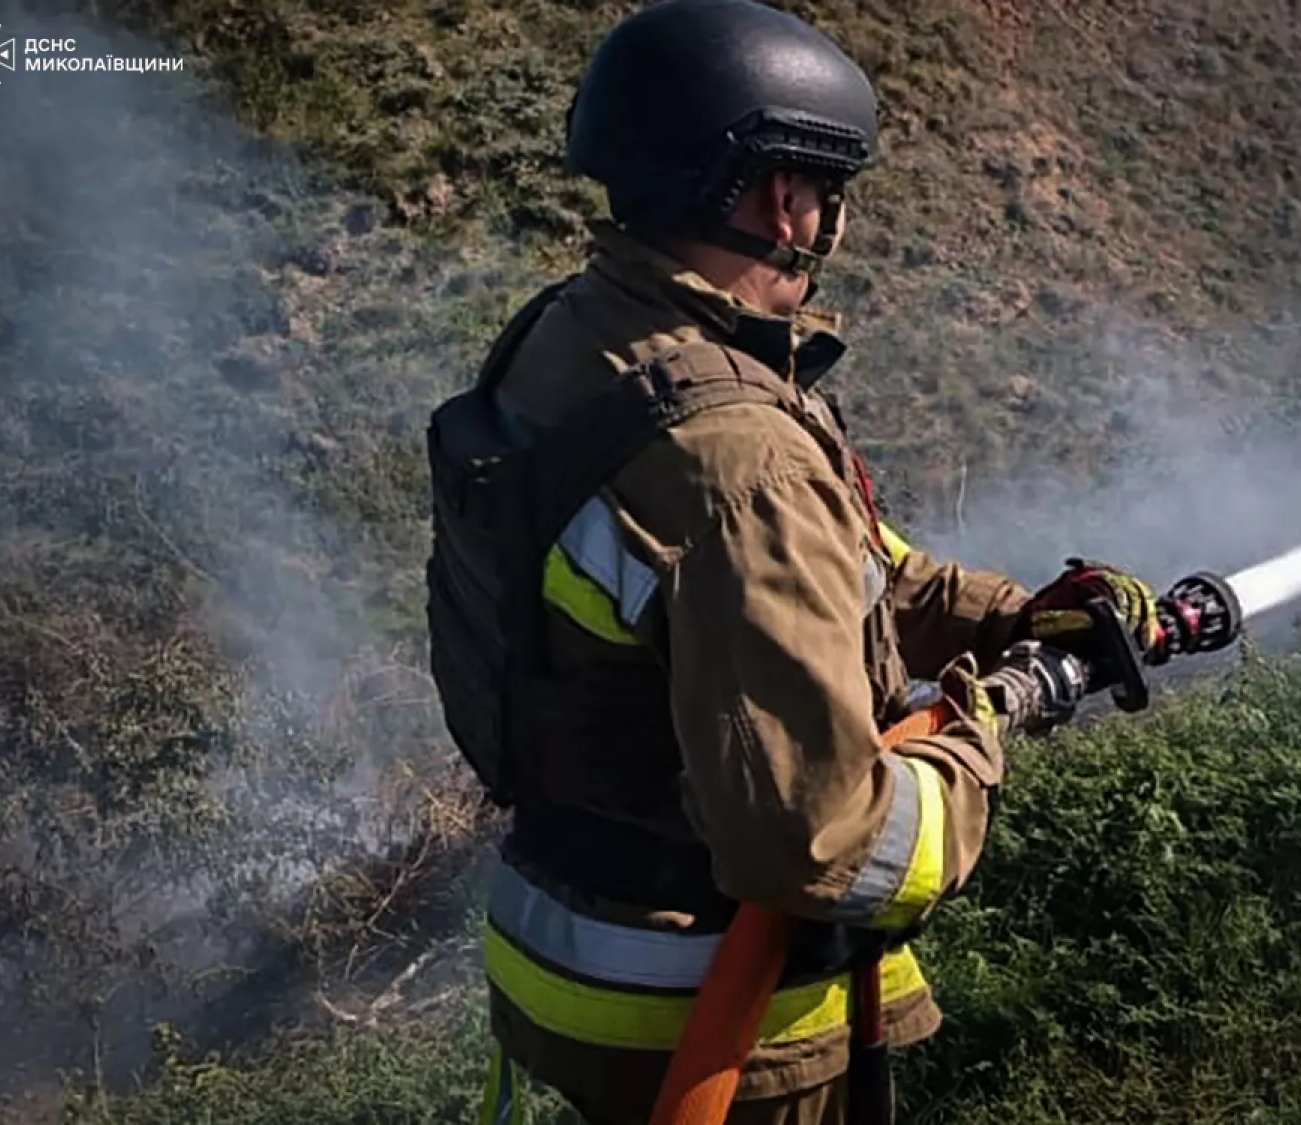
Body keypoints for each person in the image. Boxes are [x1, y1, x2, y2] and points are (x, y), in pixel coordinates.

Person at [423, 1, 1163, 1122]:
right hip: (718, 1030)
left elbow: (844, 573)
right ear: (782, 196)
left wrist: (1024, 618)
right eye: (830, 191)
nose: (831, 222)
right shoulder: (739, 459)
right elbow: (829, 848)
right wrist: (981, 731)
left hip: (561, 956)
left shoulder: (575, 340)